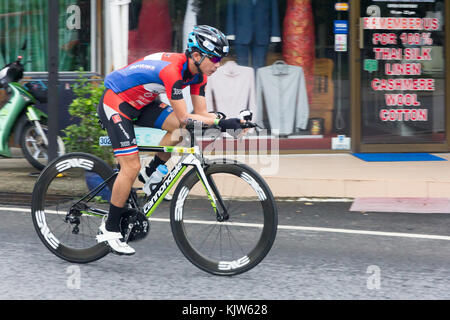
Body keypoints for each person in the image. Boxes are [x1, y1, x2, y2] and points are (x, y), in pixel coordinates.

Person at [96, 25, 243, 255]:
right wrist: (220, 123)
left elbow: (201, 115)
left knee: (180, 128)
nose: (218, 64)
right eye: (214, 59)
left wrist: (229, 120)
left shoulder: (199, 75)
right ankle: (110, 229)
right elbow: (186, 116)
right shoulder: (173, 72)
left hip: (143, 102)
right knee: (130, 165)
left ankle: (151, 172)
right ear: (197, 55)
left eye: (220, 59)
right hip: (117, 102)